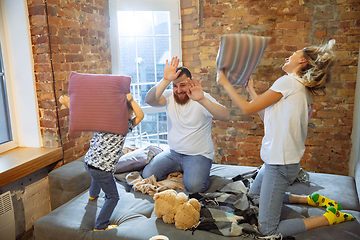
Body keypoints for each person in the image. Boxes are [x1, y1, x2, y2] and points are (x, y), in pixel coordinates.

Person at [216, 39, 354, 238]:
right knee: (254, 195)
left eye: (293, 55)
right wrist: (252, 91)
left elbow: (246, 109)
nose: (288, 57)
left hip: (279, 166)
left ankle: (330, 217)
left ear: (303, 62)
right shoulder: (301, 89)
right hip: (279, 163)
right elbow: (268, 117)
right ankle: (308, 199)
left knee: (267, 230)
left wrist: (226, 84)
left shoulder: (288, 82)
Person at [142, 56, 230, 193]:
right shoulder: (170, 96)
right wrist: (166, 80)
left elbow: (225, 116)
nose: (179, 90)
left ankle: (190, 171)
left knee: (194, 187)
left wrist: (202, 100)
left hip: (198, 155)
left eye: (182, 85)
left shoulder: (201, 97)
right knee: (147, 176)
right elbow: (149, 100)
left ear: (190, 83)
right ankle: (181, 170)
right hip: (172, 153)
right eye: (175, 86)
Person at [59, 93, 144, 231]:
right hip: (102, 169)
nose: (133, 112)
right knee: (113, 197)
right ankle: (101, 225)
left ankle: (93, 195)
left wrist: (69, 104)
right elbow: (141, 116)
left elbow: (83, 117)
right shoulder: (124, 126)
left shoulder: (103, 122)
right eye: (131, 110)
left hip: (89, 163)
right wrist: (132, 100)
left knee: (97, 175)